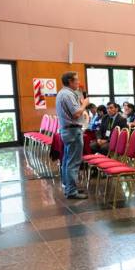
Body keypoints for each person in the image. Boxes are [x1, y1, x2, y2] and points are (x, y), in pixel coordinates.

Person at [56, 71, 90, 199]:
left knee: (66, 160)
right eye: (76, 80)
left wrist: (81, 96)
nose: (78, 82)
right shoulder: (68, 95)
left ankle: (68, 185)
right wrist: (85, 104)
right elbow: (76, 113)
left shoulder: (62, 93)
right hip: (72, 131)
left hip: (67, 130)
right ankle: (71, 191)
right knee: (73, 162)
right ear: (70, 81)